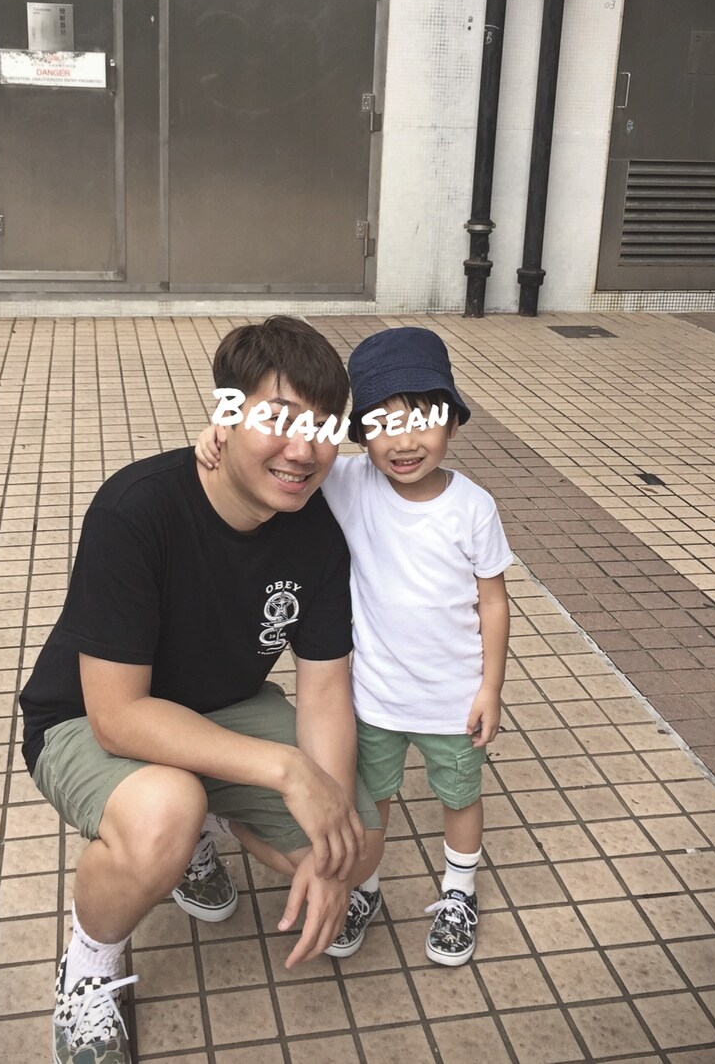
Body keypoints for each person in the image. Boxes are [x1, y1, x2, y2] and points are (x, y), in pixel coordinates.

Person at [20, 316, 384, 1064]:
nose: (303, 449)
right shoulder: (136, 509)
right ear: (225, 415)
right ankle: (89, 967)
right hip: (85, 716)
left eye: (322, 427)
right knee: (165, 812)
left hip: (221, 709)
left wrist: (332, 850)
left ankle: (207, 829)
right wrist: (288, 772)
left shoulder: (317, 533)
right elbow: (118, 717)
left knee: (359, 842)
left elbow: (323, 690)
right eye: (278, 418)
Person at [197, 326, 511, 967]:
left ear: (452, 421)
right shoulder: (347, 481)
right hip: (372, 697)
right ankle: (364, 888)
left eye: (421, 419)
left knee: (460, 798)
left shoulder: (473, 508)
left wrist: (490, 689)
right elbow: (281, 459)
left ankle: (459, 891)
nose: (404, 441)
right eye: (381, 423)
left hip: (452, 701)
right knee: (374, 802)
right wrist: (217, 432)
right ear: (359, 435)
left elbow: (493, 602)